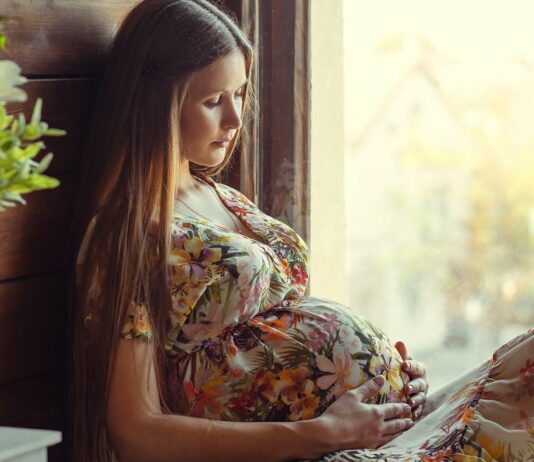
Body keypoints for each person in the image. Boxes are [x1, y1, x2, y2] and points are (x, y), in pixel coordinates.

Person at [70, 1, 534, 461]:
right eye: (213, 101)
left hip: (366, 434)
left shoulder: (222, 198)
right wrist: (320, 433)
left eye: (239, 94)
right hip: (315, 450)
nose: (234, 121)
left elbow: (288, 328)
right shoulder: (126, 236)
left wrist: (394, 378)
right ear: (155, 104)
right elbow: (135, 430)